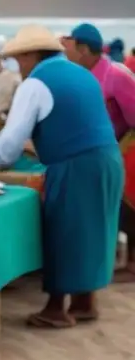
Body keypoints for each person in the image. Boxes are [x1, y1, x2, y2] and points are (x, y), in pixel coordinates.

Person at [0, 25, 122, 328]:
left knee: (63, 230)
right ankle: (85, 302)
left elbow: (10, 143)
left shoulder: (35, 83)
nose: (18, 67)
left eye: (19, 60)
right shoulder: (81, 74)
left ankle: (55, 309)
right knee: (94, 231)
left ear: (30, 55)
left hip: (75, 165)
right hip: (108, 158)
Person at [64, 23, 135, 271]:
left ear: (83, 49)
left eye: (70, 48)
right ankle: (108, 256)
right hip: (95, 150)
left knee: (126, 204)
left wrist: (122, 147)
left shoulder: (117, 74)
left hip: (123, 146)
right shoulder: (80, 74)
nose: (66, 53)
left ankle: (132, 261)